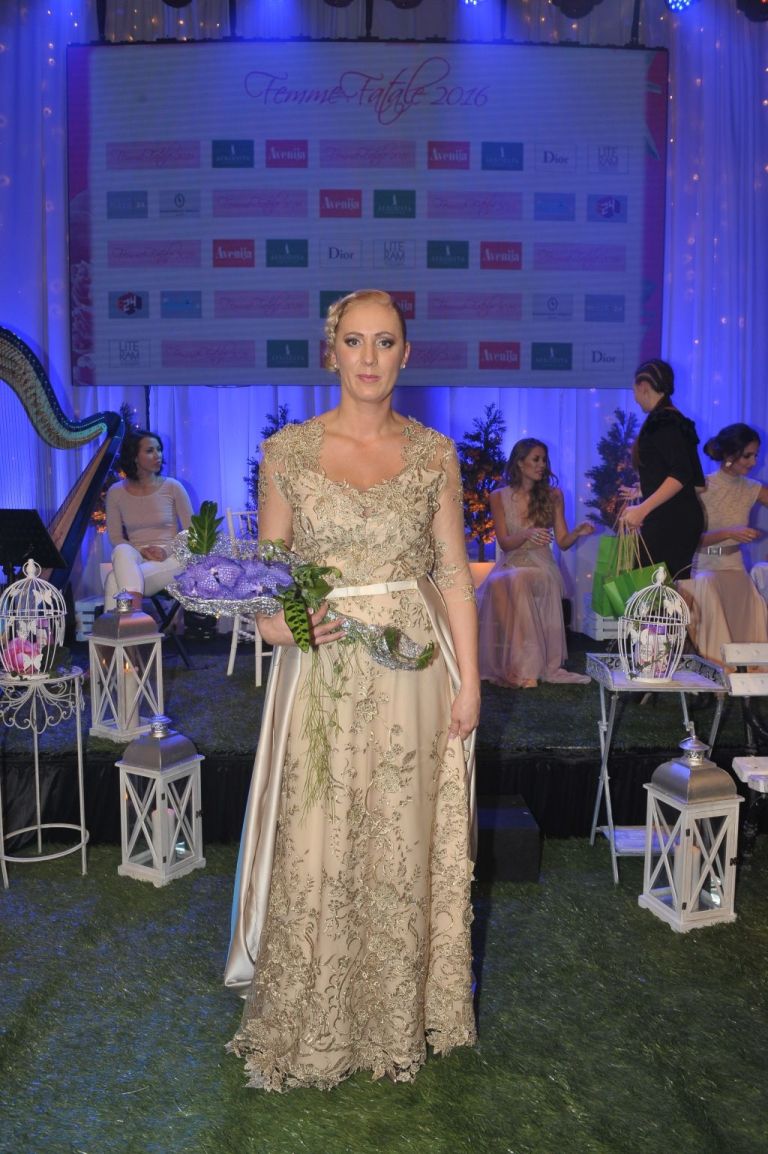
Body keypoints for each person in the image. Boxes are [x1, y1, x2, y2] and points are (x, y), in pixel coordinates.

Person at [225, 289, 479, 1091]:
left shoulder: (435, 454)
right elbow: (270, 578)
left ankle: (396, 1018)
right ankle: (317, 1019)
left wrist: (471, 683)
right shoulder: (288, 452)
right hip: (324, 671)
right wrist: (278, 626)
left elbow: (454, 576)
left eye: (386, 342)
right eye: (355, 341)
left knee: (402, 839)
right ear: (330, 351)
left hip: (416, 672)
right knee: (318, 837)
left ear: (407, 353)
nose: (370, 357)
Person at [476, 438, 594, 688]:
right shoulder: (498, 496)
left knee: (516, 579)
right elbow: (505, 543)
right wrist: (527, 534)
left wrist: (577, 532)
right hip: (512, 562)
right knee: (497, 581)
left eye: (544, 460)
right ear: (520, 463)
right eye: (536, 459)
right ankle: (520, 664)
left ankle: (528, 668)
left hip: (541, 565)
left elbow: (562, 542)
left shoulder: (553, 495)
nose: (542, 465)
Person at [678, 423, 768, 664]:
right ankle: (716, 670)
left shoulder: (752, 488)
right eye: (747, 455)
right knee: (708, 586)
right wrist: (729, 533)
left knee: (753, 602)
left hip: (734, 567)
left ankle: (748, 671)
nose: (754, 461)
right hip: (702, 567)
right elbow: (686, 539)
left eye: (756, 455)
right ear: (729, 454)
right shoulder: (701, 487)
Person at [619, 359, 705, 580]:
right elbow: (696, 483)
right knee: (664, 592)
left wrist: (643, 508)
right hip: (682, 519)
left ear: (643, 387)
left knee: (650, 593)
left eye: (634, 391)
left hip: (669, 521)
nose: (635, 398)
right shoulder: (677, 421)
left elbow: (681, 474)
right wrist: (645, 489)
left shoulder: (661, 421)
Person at [103, 429, 192, 610]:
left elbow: (192, 532)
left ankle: (126, 622)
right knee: (121, 549)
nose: (158, 455)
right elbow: (115, 537)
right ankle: (133, 617)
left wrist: (166, 551)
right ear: (135, 457)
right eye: (150, 451)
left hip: (172, 558)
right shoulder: (115, 492)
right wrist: (141, 551)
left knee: (113, 579)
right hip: (137, 556)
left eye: (159, 449)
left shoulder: (173, 487)